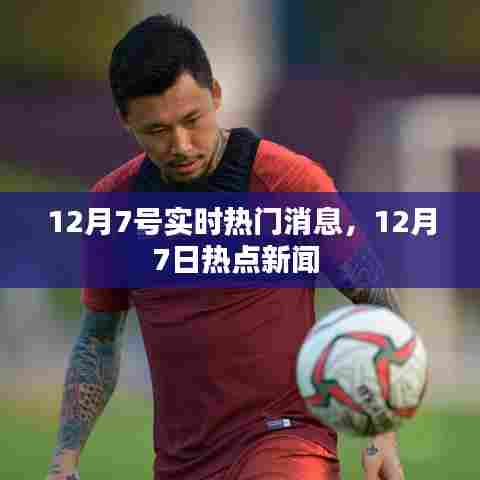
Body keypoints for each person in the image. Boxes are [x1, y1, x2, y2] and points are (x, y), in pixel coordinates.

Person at [46, 14, 405, 480]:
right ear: (125, 121)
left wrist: (382, 433)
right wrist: (65, 457)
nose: (180, 145)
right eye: (156, 130)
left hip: (285, 441)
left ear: (215, 94)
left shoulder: (288, 182)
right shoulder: (114, 205)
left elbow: (375, 299)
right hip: (181, 463)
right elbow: (98, 337)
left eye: (192, 120)